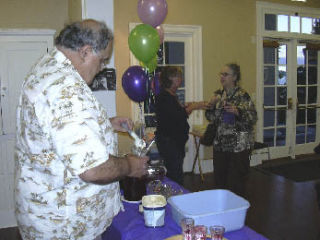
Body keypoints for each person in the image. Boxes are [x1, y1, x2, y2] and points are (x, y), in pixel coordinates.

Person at [14, 19, 149, 240]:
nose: (102, 68)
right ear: (85, 52)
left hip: (46, 213)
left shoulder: (48, 66)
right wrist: (130, 165)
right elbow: (93, 169)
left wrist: (105, 123)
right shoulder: (66, 88)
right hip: (66, 226)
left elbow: (57, 130)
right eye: (103, 60)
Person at [204, 63, 257, 197]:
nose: (222, 77)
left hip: (238, 146)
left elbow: (253, 117)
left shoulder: (242, 95)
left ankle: (237, 210)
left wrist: (238, 111)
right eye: (221, 74)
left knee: (237, 182)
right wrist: (210, 107)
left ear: (234, 77)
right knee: (220, 181)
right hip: (221, 145)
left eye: (225, 74)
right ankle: (222, 207)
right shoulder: (218, 95)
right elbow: (211, 118)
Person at [155, 66, 208, 185]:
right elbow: (179, 115)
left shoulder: (171, 95)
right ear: (171, 78)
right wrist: (194, 106)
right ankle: (175, 199)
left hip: (174, 142)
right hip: (169, 142)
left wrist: (190, 106)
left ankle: (172, 195)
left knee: (175, 172)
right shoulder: (164, 97)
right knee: (176, 175)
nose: (181, 79)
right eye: (178, 76)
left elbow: (176, 113)